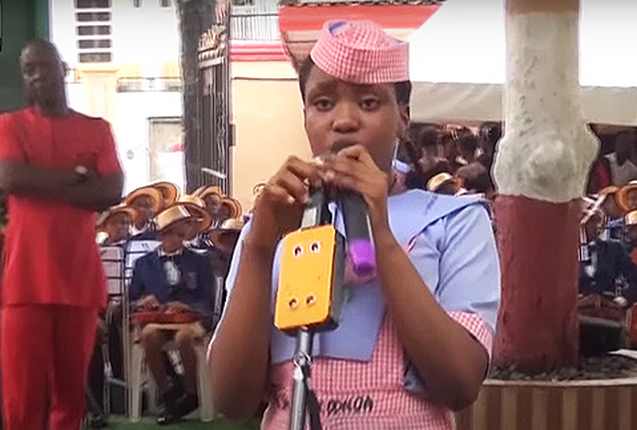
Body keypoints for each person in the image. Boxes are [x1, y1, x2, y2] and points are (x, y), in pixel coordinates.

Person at [209, 20, 499, 429]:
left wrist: (381, 235)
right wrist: (258, 247)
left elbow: (460, 384)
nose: (343, 122)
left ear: (403, 116)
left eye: (368, 102)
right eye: (323, 103)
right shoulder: (271, 227)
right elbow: (231, 398)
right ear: (306, 115)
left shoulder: (456, 221)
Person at [0, 39, 124, 430]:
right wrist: (79, 177)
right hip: (24, 284)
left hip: (78, 283)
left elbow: (112, 191)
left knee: (70, 402)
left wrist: (40, 183)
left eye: (43, 66)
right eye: (28, 70)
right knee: (21, 403)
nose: (37, 76)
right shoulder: (10, 125)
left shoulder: (96, 129)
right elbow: (11, 177)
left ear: (63, 69)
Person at [129, 205, 215, 425]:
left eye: (181, 233)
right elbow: (132, 299)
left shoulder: (198, 261)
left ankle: (190, 393)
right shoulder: (143, 264)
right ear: (162, 235)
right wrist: (143, 302)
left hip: (189, 319)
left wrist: (185, 305)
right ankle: (168, 392)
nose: (179, 238)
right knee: (148, 335)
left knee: (184, 337)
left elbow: (208, 299)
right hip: (157, 319)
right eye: (174, 233)